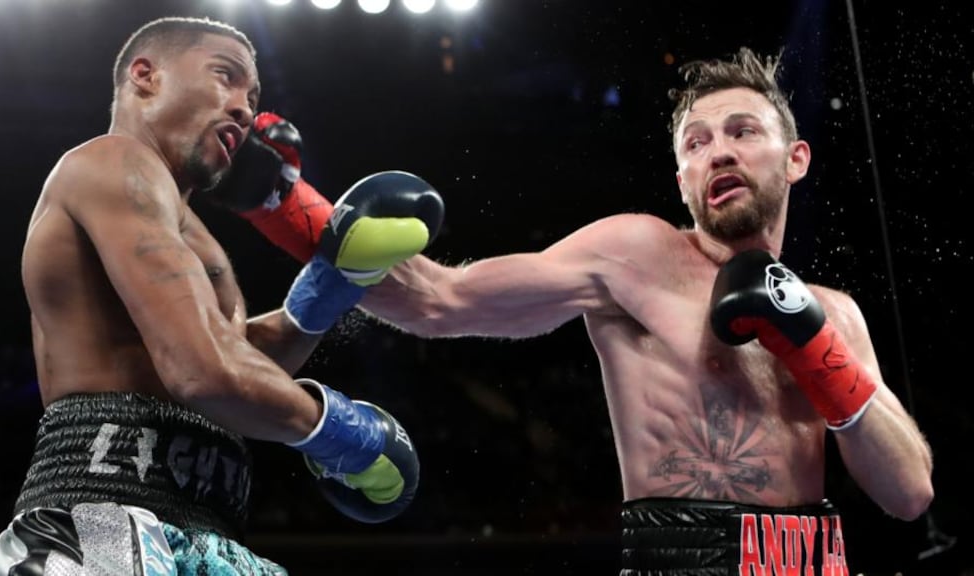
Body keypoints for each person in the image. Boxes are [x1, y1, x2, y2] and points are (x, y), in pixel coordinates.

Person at [241, 47, 936, 574]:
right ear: (682, 180)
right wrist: (279, 200)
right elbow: (436, 300)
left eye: (743, 131)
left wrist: (815, 346)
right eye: (697, 143)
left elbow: (909, 493)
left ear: (796, 158)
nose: (719, 151)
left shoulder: (835, 315)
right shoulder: (636, 253)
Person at [0, 16, 443, 576]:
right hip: (98, 523)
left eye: (253, 97)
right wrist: (342, 431)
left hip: (207, 534)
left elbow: (232, 359)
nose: (245, 109)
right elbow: (201, 372)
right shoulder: (111, 163)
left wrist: (330, 285)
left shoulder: (188, 229)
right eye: (225, 76)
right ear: (145, 76)